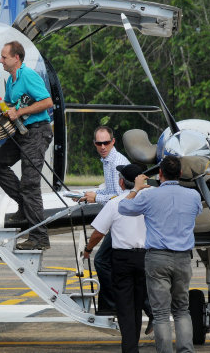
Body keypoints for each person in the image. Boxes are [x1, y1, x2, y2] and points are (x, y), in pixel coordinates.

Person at [0, 40, 54, 251]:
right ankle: (24, 206)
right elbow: (7, 107)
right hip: (22, 133)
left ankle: (40, 238)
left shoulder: (27, 75)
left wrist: (20, 112)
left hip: (37, 132)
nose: (1, 60)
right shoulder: (11, 80)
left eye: (4, 57)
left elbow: (47, 102)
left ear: (16, 58)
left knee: (30, 184)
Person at [118, 155, 202, 353]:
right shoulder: (194, 196)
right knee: (182, 309)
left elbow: (123, 208)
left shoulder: (149, 196)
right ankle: (186, 351)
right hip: (183, 258)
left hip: (157, 258)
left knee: (161, 313)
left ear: (160, 173)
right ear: (180, 174)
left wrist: (136, 188)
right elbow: (197, 212)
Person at [84, 164, 149, 353]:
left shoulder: (115, 203)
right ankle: (135, 343)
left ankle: (130, 348)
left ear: (121, 183)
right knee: (138, 304)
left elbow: (98, 233)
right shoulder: (150, 200)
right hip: (146, 257)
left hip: (123, 259)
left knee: (125, 306)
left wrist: (88, 249)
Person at [76, 126, 130, 316]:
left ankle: (114, 304)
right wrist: (88, 194)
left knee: (101, 260)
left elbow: (121, 195)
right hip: (118, 218)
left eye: (106, 143)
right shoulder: (107, 161)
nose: (102, 147)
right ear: (95, 144)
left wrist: (95, 198)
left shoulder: (117, 163)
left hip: (123, 220)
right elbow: (109, 191)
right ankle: (110, 305)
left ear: (113, 142)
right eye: (99, 143)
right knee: (106, 261)